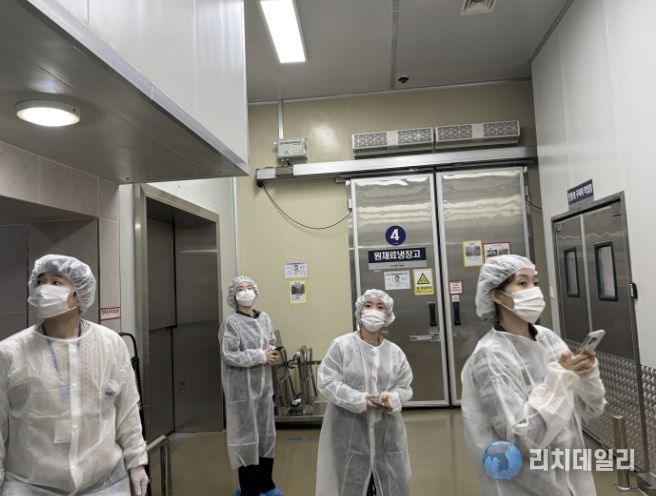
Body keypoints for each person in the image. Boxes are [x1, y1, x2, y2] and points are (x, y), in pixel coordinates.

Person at [0, 254, 148, 495]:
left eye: (56, 282)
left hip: (104, 484)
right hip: (30, 485)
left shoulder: (109, 344)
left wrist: (136, 460)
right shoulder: (10, 352)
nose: (44, 289)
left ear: (79, 295)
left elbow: (127, 409)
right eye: (40, 282)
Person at [461, 254, 606, 495]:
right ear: (497, 296)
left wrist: (586, 376)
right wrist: (559, 379)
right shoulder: (490, 357)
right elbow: (520, 440)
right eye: (522, 283)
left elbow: (589, 410)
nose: (534, 290)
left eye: (535, 282)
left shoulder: (548, 338)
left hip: (572, 477)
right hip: (528, 484)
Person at [316, 289, 413, 496]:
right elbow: (327, 381)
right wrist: (359, 400)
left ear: (387, 315)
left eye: (380, 307)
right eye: (368, 305)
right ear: (360, 312)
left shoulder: (395, 353)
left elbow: (404, 386)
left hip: (387, 435)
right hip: (349, 434)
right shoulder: (341, 346)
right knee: (352, 484)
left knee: (389, 484)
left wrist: (393, 398)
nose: (374, 311)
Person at [219, 276, 283, 496]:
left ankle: (267, 485)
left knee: (266, 437)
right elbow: (230, 355)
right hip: (242, 392)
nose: (245, 292)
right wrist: (260, 355)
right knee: (247, 440)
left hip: (264, 389)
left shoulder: (264, 318)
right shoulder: (231, 323)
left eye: (249, 287)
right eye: (240, 289)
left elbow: (270, 341)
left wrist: (271, 353)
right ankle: (250, 489)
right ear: (234, 296)